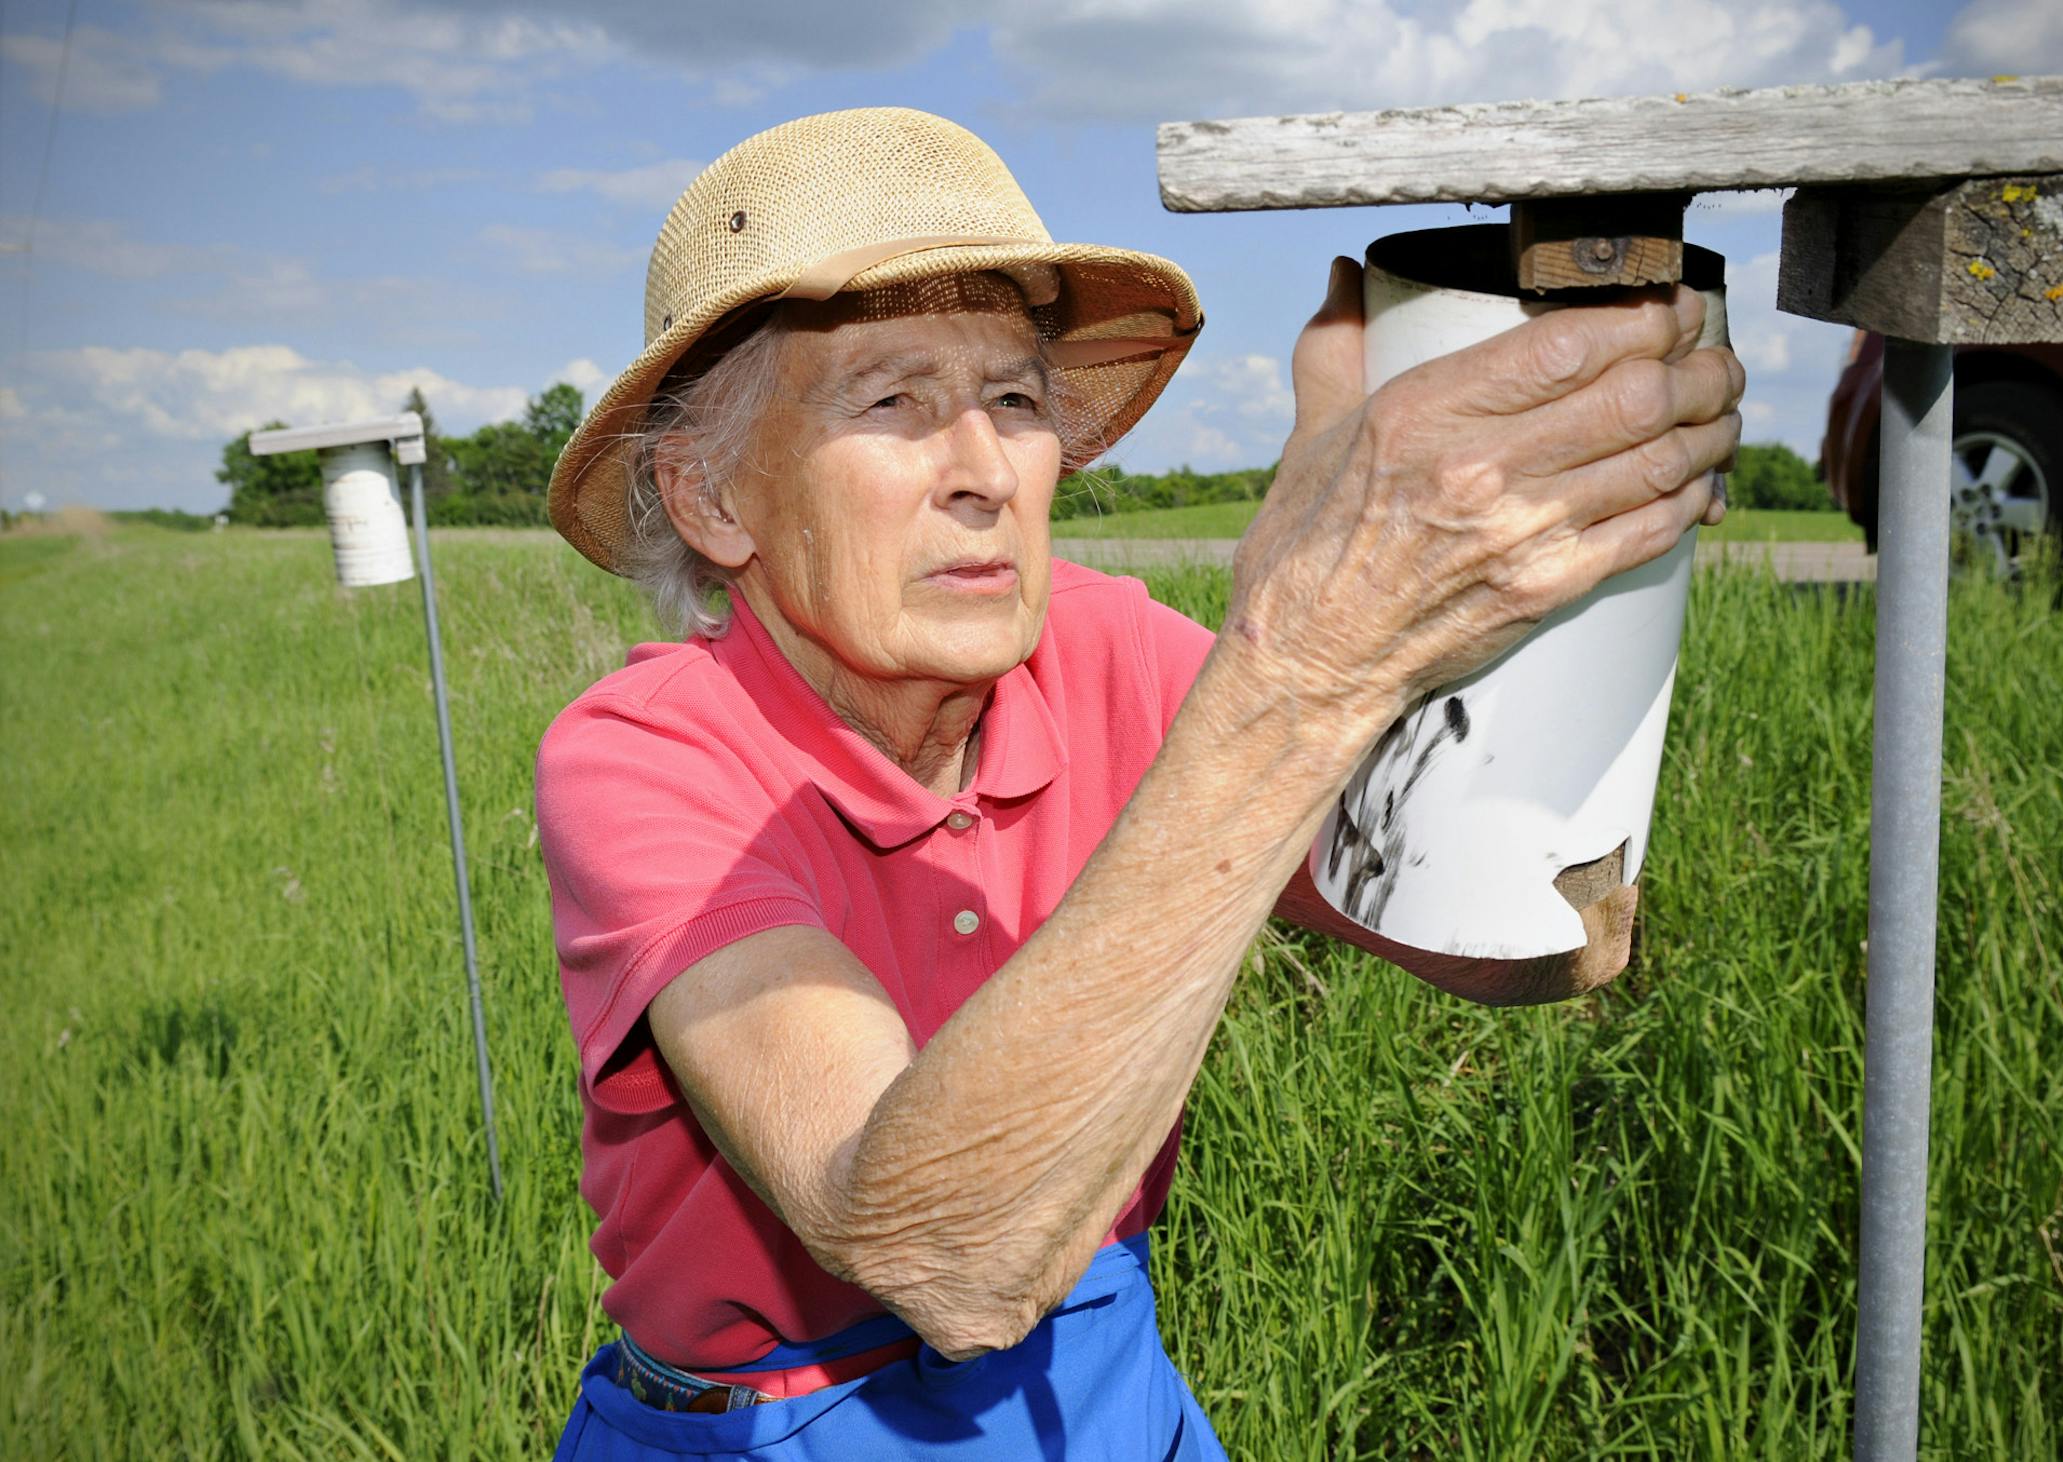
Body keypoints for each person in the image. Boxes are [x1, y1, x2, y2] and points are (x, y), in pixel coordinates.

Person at [535, 107, 1742, 1460]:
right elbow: (945, 1252)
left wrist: (1585, 595)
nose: (986, 473)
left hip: (1095, 1364)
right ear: (712, 498)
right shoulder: (643, 755)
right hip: (779, 1417)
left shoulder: (1105, 652)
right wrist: (1303, 662)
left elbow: (1507, 951)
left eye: (1012, 398)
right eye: (893, 401)